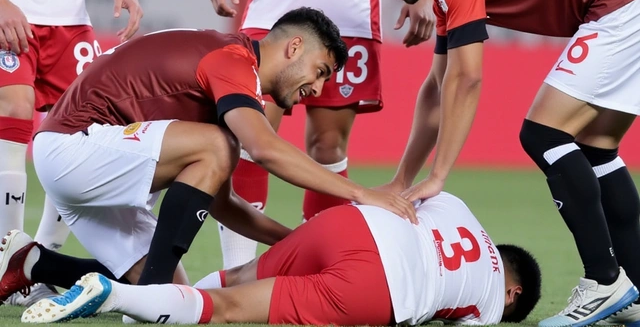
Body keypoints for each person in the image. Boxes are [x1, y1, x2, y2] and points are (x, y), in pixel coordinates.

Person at [346, 0, 640, 327]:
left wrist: (440, 175)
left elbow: (466, 79)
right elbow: (437, 86)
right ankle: (633, 289)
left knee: (544, 133)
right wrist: (404, 180)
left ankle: (603, 281)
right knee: (596, 148)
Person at [0, 7, 418, 304]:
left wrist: (294, 241)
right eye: (321, 71)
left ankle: (32, 264)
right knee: (222, 147)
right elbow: (264, 149)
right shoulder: (233, 61)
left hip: (85, 162)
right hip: (73, 147)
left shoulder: (230, 82)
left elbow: (220, 202)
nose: (318, 89)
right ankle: (151, 297)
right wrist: (364, 194)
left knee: (183, 296)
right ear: (293, 48)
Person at [210, 0, 444, 269]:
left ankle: (319, 264)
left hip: (351, 14)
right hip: (274, 11)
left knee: (328, 144)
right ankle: (235, 270)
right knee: (250, 135)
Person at [21, 192, 542, 326]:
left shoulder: (463, 212)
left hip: (352, 224)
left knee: (236, 277)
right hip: (379, 283)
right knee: (228, 308)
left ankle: (133, 295)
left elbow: (416, 195)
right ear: (514, 291)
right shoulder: (494, 300)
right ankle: (113, 293)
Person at [0, 0, 143, 305]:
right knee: (15, 107)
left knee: (88, 131)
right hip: (8, 1)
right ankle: (6, 254)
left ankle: (34, 263)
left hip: (66, 9)